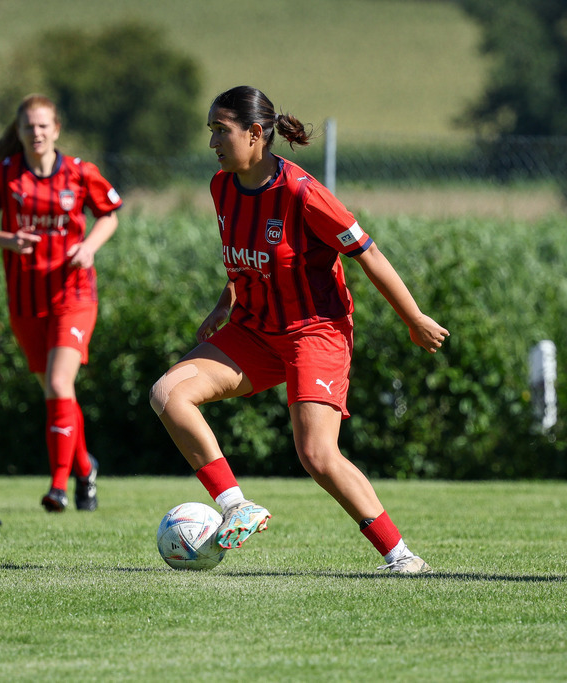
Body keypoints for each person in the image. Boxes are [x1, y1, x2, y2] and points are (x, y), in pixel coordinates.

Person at [149, 86, 449, 573]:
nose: (212, 144)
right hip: (254, 330)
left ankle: (401, 557)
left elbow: (367, 253)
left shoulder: (304, 194)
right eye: (210, 132)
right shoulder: (221, 186)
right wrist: (224, 303)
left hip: (316, 333)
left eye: (220, 132)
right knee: (167, 393)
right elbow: (245, 260)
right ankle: (235, 506)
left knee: (316, 454)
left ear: (255, 134)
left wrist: (413, 318)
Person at [0, 94, 121, 512]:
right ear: (18, 132)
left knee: (58, 385)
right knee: (58, 394)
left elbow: (109, 214)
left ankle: (59, 486)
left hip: (73, 296)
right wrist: (5, 238)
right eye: (27, 127)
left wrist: (89, 246)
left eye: (42, 126)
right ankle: (86, 468)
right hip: (24, 301)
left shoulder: (79, 172)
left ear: (56, 130)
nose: (35, 133)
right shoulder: (3, 175)